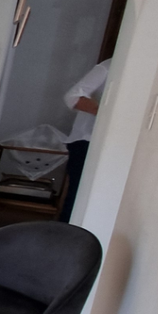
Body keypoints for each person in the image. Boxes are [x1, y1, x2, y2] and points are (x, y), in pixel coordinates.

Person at [59, 58, 109, 220]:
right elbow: (73, 97)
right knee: (78, 198)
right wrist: (110, 114)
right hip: (86, 142)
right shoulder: (108, 67)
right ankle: (65, 234)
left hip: (113, 145)